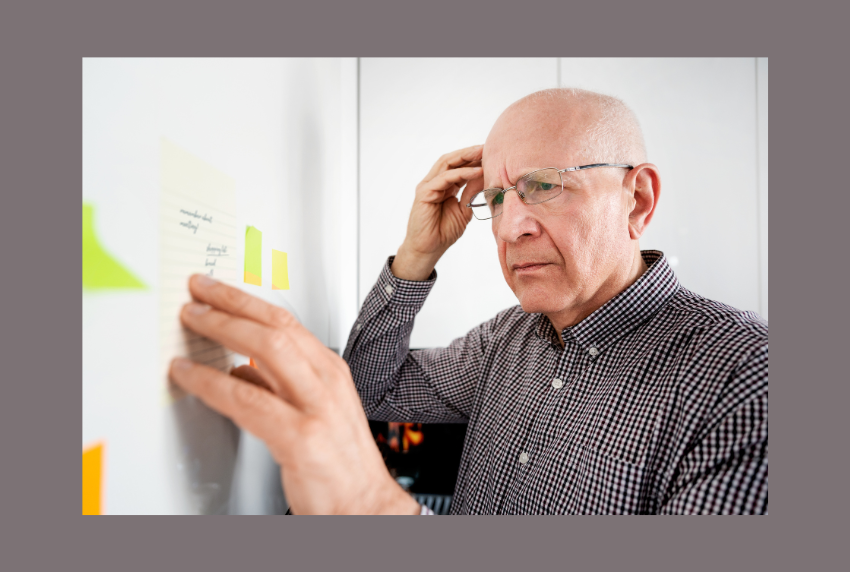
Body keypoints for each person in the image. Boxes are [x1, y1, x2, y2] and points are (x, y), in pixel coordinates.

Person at [169, 88, 768, 514]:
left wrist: (374, 512)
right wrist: (415, 257)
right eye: (499, 198)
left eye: (543, 186)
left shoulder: (748, 378)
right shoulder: (506, 340)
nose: (510, 229)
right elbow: (372, 389)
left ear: (637, 200)